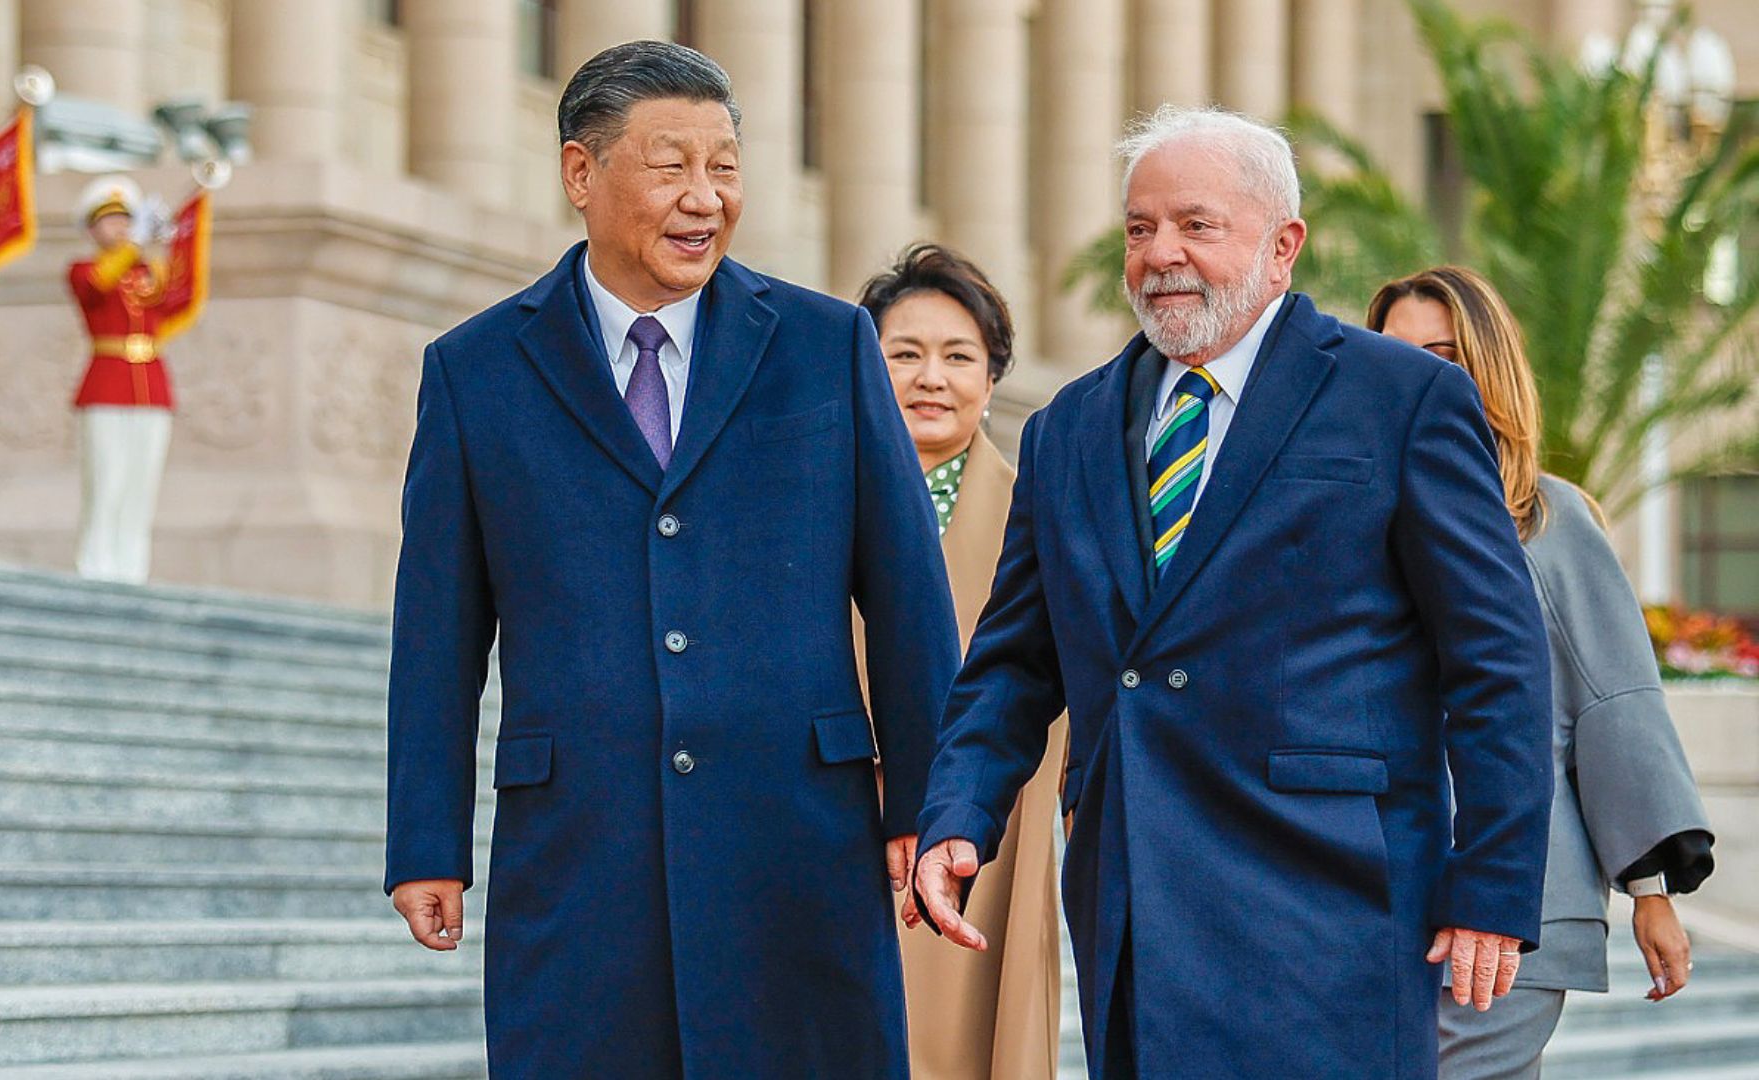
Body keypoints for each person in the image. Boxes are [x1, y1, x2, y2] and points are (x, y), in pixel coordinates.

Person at [910, 105, 1554, 1078]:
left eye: (1196, 225)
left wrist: (1494, 885)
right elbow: (1012, 661)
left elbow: (1497, 657)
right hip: (1135, 907)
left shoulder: (1402, 399)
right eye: (1139, 229)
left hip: (1334, 911)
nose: (1162, 253)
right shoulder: (1066, 430)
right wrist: (959, 813)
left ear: (1283, 244)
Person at [384, 40, 959, 1079]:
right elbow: (438, 632)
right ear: (579, 173)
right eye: (671, 165)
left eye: (726, 165)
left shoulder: (827, 346)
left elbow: (909, 593)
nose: (706, 197)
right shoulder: (474, 373)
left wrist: (929, 801)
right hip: (579, 851)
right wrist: (426, 839)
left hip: (798, 840)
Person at [1371, 265, 1715, 1080]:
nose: (1417, 378)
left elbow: (1615, 707)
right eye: (1393, 357)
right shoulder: (1360, 516)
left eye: (1444, 356)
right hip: (1385, 894)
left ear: (1488, 369)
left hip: (1524, 897)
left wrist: (1652, 892)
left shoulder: (1551, 521)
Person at [857, 243, 1067, 1080]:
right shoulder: (812, 506)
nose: (930, 378)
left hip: (988, 835)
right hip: (838, 817)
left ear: (993, 377)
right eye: (904, 355)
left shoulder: (1040, 511)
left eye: (958, 357)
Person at [67, 176, 184, 583]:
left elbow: (183, 296)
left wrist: (183, 235)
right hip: (108, 383)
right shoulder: (84, 269)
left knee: (140, 486)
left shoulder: (150, 274)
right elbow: (97, 286)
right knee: (106, 482)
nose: (118, 228)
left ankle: (131, 568)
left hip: (150, 388)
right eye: (110, 221)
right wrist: (136, 243)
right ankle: (96, 565)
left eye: (126, 220)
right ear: (93, 229)